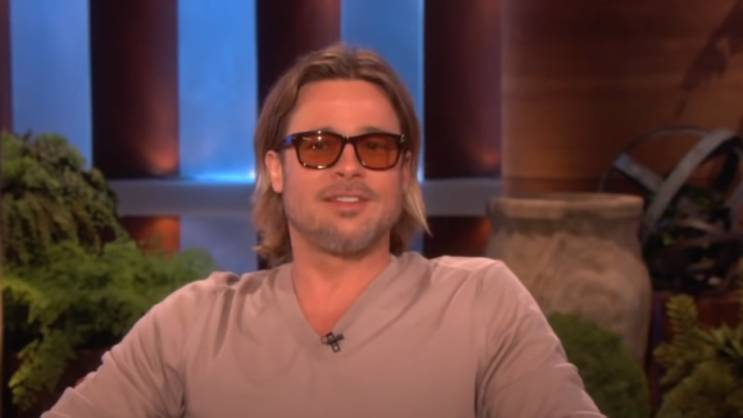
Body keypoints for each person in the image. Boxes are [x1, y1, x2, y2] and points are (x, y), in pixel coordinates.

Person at [44, 44, 605, 418]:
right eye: (318, 146)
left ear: (403, 171)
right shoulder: (195, 323)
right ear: (275, 170)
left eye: (375, 147)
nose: (349, 167)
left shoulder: (482, 302)